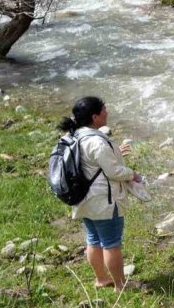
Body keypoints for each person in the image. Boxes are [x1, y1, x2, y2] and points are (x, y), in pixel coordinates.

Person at [59, 96, 142, 290]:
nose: (107, 112)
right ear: (95, 117)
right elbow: (113, 172)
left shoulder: (74, 135)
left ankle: (101, 278)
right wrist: (133, 174)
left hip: (84, 199)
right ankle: (121, 285)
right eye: (104, 109)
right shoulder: (96, 142)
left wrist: (114, 151)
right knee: (112, 243)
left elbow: (92, 160)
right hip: (103, 202)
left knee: (93, 239)